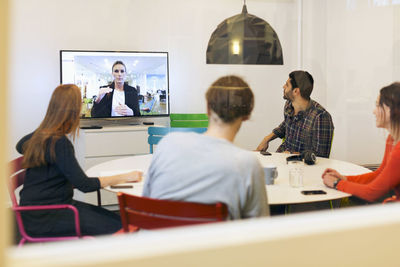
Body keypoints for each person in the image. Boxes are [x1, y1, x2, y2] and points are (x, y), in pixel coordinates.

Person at [17, 84, 142, 237]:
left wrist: (47, 125)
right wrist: (126, 177)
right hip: (48, 216)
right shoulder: (59, 143)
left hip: (37, 211)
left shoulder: (43, 137)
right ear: (72, 111)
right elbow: (85, 185)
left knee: (119, 220)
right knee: (124, 227)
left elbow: (19, 145)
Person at [142, 75, 269, 219]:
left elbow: (146, 202)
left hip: (156, 239)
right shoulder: (247, 164)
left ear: (208, 108)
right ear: (247, 114)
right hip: (213, 241)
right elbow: (259, 229)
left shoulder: (167, 143)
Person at [322, 82, 400, 203]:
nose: (374, 111)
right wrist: (345, 179)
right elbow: (379, 175)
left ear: (390, 110)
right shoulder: (391, 139)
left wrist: (337, 183)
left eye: (378, 106)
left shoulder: (398, 151)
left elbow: (372, 192)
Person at [256, 70, 334, 158]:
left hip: (303, 167)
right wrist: (266, 139)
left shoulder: (320, 117)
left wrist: (291, 154)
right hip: (282, 158)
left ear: (296, 91)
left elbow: (321, 156)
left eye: (287, 85)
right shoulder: (289, 104)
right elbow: (286, 125)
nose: (283, 87)